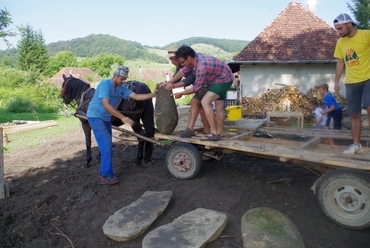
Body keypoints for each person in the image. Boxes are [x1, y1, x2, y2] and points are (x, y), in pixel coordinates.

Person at [87, 66, 156, 185]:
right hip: (96, 116)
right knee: (107, 145)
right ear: (115, 76)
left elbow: (137, 97)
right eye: (122, 79)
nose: (123, 81)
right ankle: (105, 175)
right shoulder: (105, 85)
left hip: (105, 118)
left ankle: (106, 171)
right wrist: (122, 117)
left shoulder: (120, 88)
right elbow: (106, 105)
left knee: (106, 146)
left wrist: (154, 94)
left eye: (125, 79)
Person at [173, 45, 234, 141]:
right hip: (223, 76)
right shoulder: (195, 58)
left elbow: (196, 88)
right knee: (219, 106)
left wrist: (181, 93)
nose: (182, 64)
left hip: (223, 80)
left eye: (183, 62)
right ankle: (220, 133)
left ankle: (213, 133)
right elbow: (183, 71)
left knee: (205, 102)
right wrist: (170, 82)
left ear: (188, 57)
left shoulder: (201, 67)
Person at [333, 13, 370, 155]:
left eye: (340, 28)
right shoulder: (340, 42)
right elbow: (340, 62)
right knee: (354, 114)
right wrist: (336, 81)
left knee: (369, 107)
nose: (338, 32)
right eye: (337, 29)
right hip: (351, 82)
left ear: (349, 24)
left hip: (368, 78)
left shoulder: (366, 35)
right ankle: (356, 145)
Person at [161, 46, 210, 137]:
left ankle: (192, 129)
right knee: (200, 107)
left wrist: (174, 87)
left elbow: (190, 80)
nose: (172, 61)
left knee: (196, 103)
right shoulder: (181, 65)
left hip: (204, 84)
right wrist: (166, 84)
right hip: (200, 85)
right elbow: (176, 78)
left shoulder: (189, 63)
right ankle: (207, 130)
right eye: (170, 59)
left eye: (172, 59)